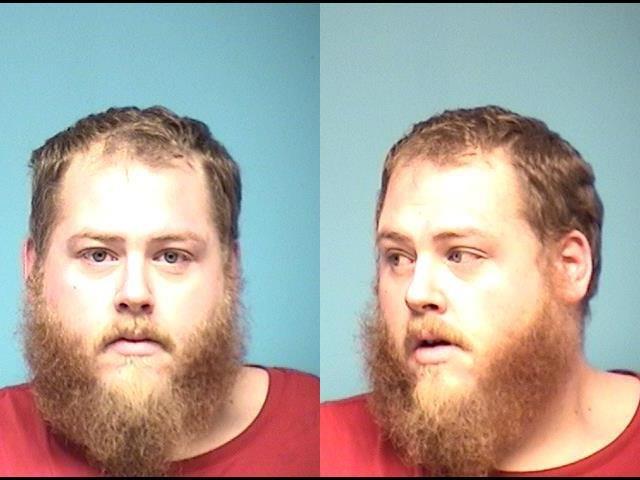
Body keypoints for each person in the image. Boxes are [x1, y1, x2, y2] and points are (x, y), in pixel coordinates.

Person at [320, 106, 640, 476]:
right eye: (398, 257)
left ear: (568, 266)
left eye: (460, 254)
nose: (416, 293)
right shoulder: (326, 448)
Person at [0, 106, 319, 476]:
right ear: (33, 268)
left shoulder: (315, 431)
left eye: (172, 256)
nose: (135, 293)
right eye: (98, 255)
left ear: (230, 269)